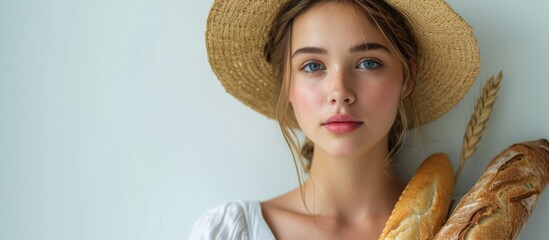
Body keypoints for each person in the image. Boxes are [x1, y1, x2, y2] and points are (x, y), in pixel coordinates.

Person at [191, 0, 479, 239]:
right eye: (313, 66)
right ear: (285, 84)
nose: (340, 92)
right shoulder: (230, 232)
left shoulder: (465, 227)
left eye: (368, 63)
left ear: (407, 78)